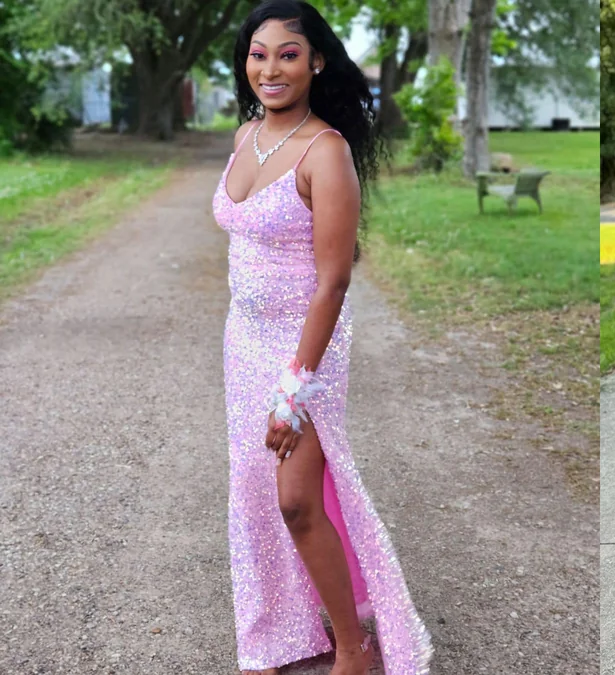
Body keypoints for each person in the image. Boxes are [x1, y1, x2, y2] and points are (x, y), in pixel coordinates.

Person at [213, 2, 432, 673]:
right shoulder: (246, 135)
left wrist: (292, 390)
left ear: (316, 62)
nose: (269, 67)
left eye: (286, 53)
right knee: (258, 490)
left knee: (297, 498)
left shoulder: (326, 151)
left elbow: (333, 282)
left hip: (303, 348)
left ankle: (353, 646)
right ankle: (281, 628)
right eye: (258, 53)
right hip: (242, 338)